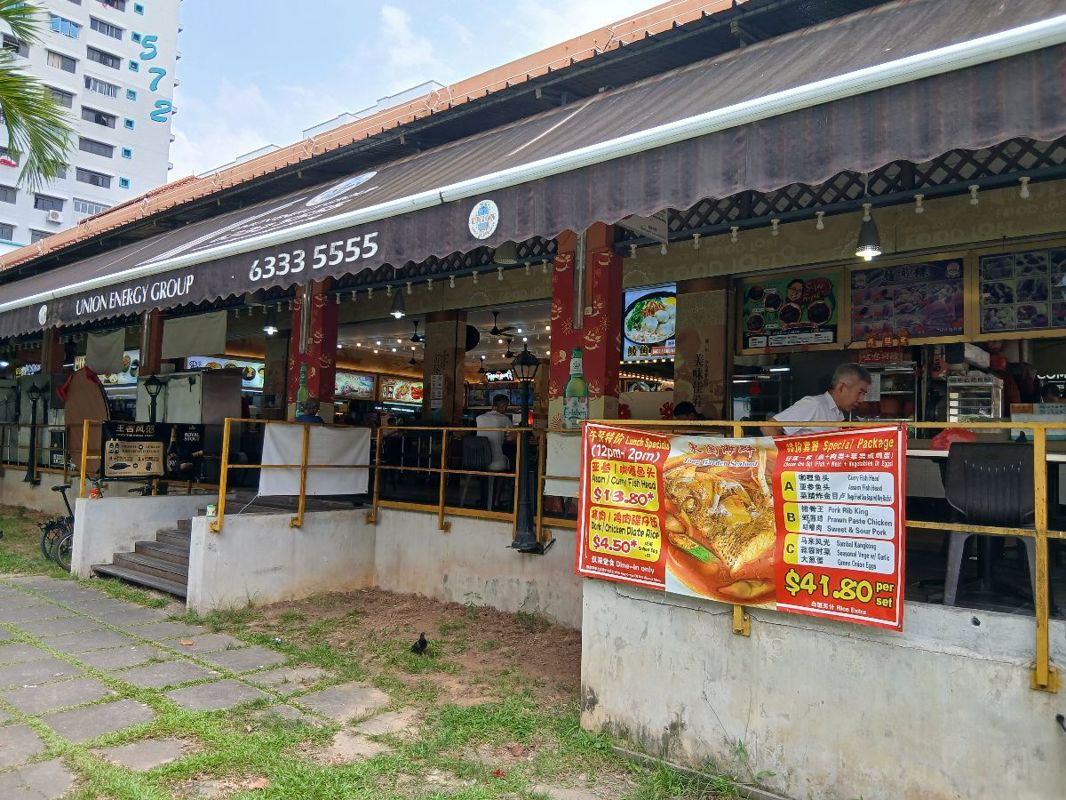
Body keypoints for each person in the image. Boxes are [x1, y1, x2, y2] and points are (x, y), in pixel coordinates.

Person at [763, 363, 871, 436]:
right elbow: (769, 427)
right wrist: (782, 460)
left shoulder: (837, 413)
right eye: (860, 393)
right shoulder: (814, 405)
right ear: (841, 387)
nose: (861, 399)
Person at [476, 393, 513, 471]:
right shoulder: (505, 419)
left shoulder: (479, 418)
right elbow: (510, 439)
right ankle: (506, 483)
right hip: (496, 463)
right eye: (506, 406)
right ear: (503, 405)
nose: (507, 408)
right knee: (512, 458)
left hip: (477, 460)